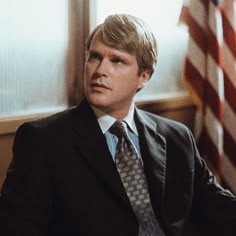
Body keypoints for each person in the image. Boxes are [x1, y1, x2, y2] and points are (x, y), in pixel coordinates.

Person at [0, 14, 235, 236]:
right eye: (94, 57)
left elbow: (218, 207)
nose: (100, 71)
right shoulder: (42, 141)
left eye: (117, 61)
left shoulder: (176, 136)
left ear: (144, 76)